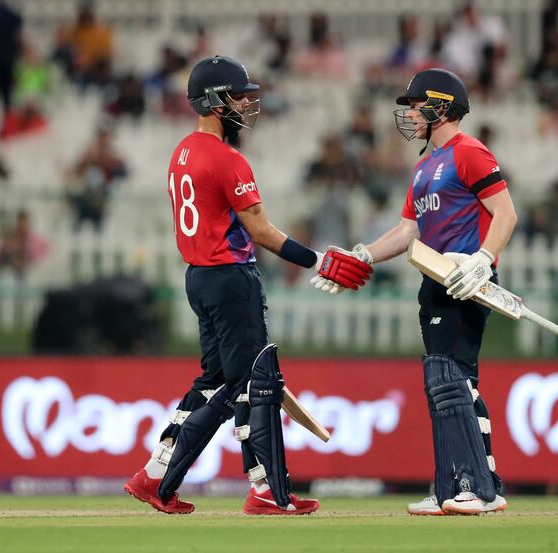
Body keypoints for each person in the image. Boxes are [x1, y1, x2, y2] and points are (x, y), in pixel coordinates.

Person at [123, 56, 372, 515]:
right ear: (215, 100)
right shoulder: (227, 159)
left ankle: (155, 471)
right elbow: (261, 231)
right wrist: (319, 260)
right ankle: (263, 490)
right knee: (251, 385)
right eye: (237, 96)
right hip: (231, 277)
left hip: (198, 277)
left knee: (215, 379)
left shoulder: (182, 151)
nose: (245, 104)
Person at [313, 68, 515, 515]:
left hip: (466, 280)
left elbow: (505, 213)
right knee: (447, 381)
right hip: (435, 281)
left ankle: (476, 487)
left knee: (453, 380)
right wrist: (362, 254)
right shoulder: (424, 166)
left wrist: (483, 260)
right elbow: (408, 232)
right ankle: (454, 485)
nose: (410, 113)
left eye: (416, 105)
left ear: (441, 105)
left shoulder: (470, 152)